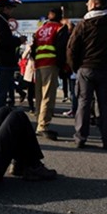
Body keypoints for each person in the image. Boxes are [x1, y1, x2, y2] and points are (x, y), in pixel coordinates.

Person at [67, 0, 107, 149]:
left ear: (93, 4)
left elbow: (72, 48)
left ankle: (80, 138)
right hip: (106, 69)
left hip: (86, 68)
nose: (86, 5)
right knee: (105, 105)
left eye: (88, 3)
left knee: (83, 103)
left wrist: (75, 67)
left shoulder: (83, 24)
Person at [32, 8, 68, 140]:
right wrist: (64, 66)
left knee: (39, 96)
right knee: (48, 96)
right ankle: (43, 126)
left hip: (39, 65)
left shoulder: (40, 30)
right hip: (51, 64)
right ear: (60, 16)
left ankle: (38, 122)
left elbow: (33, 48)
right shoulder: (60, 28)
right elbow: (62, 48)